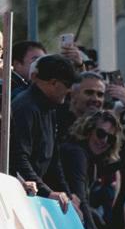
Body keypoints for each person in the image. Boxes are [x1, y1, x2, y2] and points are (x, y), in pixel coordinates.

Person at [10, 54, 77, 208]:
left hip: (33, 193)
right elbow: (18, 157)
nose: (69, 92)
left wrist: (66, 194)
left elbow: (53, 159)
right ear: (53, 83)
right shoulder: (25, 107)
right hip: (19, 195)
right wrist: (47, 192)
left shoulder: (49, 108)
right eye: (67, 85)